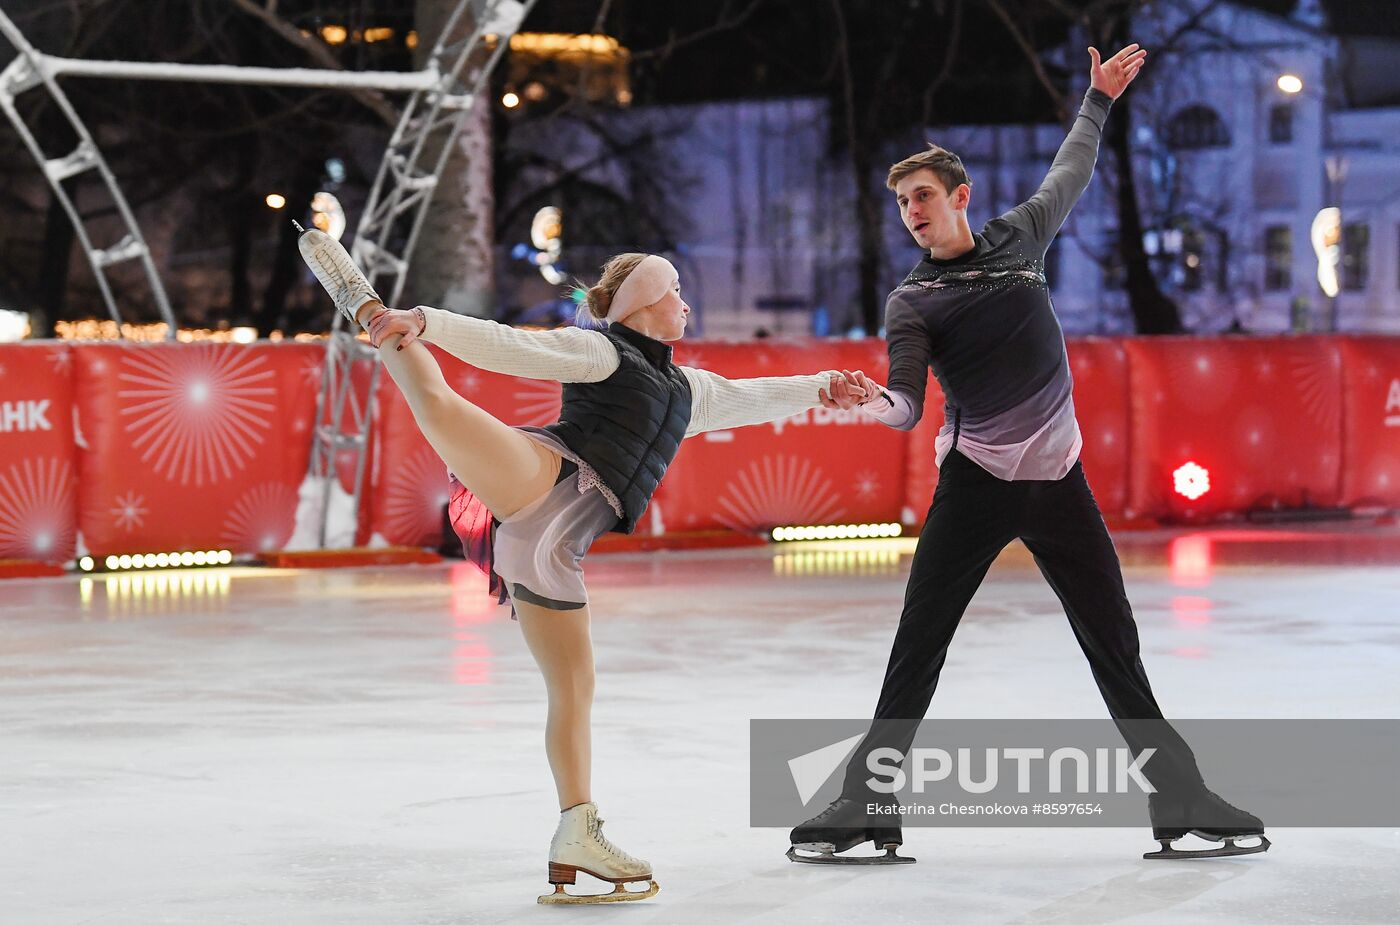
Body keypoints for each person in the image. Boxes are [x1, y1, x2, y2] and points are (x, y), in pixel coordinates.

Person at [789, 43, 1269, 864]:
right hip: (975, 483)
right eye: (904, 202)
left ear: (960, 197)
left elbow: (1071, 172)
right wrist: (867, 399)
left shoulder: (1020, 239)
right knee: (919, 644)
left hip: (1060, 482)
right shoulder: (913, 300)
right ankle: (866, 802)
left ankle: (1179, 796)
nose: (912, 211)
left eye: (925, 196)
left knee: (1113, 642)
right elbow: (907, 407)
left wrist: (1097, 100)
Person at [296, 233, 869, 902]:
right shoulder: (600, 351)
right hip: (541, 480)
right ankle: (367, 307)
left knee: (575, 687)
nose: (686, 303)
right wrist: (426, 322)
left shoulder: (687, 390)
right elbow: (515, 346)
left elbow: (754, 397)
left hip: (554, 551)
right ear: (648, 303)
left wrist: (825, 387)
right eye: (676, 292)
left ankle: (577, 830)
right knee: (442, 406)